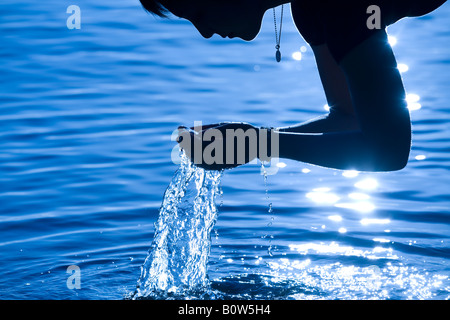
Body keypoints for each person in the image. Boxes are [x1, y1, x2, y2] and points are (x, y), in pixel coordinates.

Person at [138, 0, 447, 172]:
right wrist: (248, 143)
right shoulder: (310, 9)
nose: (204, 32)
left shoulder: (341, 5)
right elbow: (349, 117)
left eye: (199, 12)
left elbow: (389, 149)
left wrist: (259, 143)